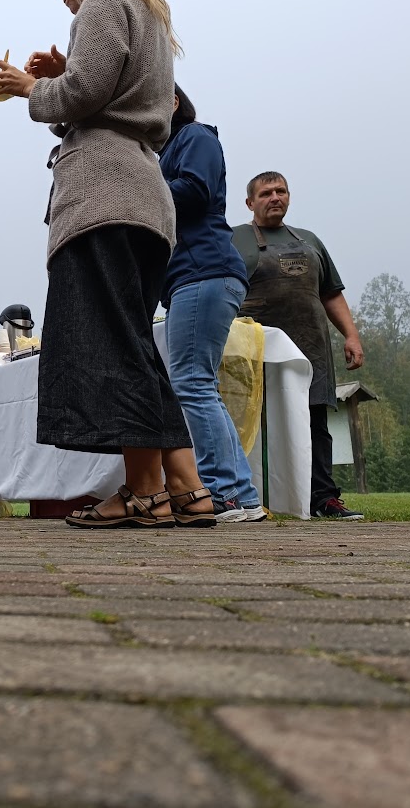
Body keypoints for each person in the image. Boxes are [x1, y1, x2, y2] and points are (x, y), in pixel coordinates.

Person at [0, 0, 215, 529]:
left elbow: (84, 94)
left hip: (104, 197)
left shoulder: (106, 1)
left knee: (113, 349)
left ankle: (144, 491)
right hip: (142, 195)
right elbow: (109, 95)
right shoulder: (149, 15)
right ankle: (187, 487)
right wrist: (63, 77)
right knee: (135, 343)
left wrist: (30, 87)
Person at [233, 171, 366, 520]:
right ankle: (242, 497)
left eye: (281, 191)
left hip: (310, 347)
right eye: (265, 193)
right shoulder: (233, 239)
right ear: (250, 202)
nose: (275, 197)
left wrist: (351, 336)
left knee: (315, 424)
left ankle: (323, 498)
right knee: (249, 422)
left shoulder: (310, 240)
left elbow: (331, 293)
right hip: (252, 349)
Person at [160, 87, 265, 523]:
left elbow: (195, 191)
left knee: (192, 384)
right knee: (199, 384)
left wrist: (134, 187)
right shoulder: (167, 151)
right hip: (194, 276)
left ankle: (225, 492)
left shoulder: (196, 137)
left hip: (204, 272)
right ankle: (240, 493)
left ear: (171, 104)